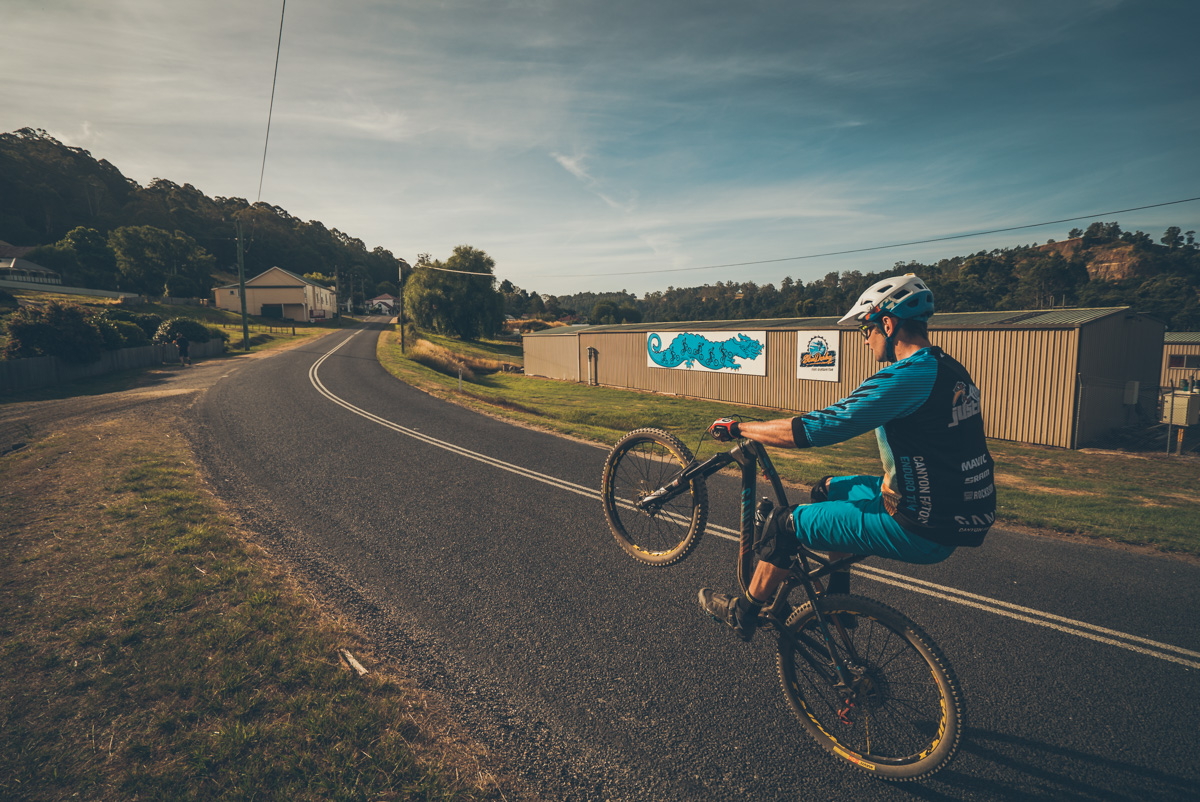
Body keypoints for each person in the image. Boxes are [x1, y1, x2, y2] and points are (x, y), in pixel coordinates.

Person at [698, 274, 996, 641]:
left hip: (921, 524)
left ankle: (743, 613)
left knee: (783, 525)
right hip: (957, 507)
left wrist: (741, 429)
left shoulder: (903, 378)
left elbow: (815, 430)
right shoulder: (949, 368)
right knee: (825, 490)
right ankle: (839, 606)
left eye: (865, 330)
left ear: (888, 324)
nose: (866, 339)